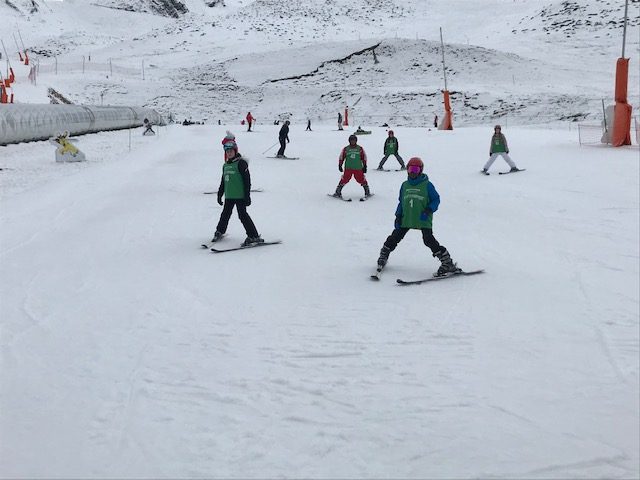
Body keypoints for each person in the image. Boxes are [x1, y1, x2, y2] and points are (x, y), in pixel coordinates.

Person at [376, 157, 460, 277]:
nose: (412, 172)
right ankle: (383, 256)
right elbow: (401, 202)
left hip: (423, 218)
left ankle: (447, 263)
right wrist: (398, 215)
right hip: (407, 217)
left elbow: (436, 199)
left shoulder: (427, 185)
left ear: (420, 170)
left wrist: (429, 209)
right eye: (410, 169)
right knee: (395, 237)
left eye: (415, 169)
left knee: (428, 240)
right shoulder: (404, 185)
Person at [211, 140, 263, 246]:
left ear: (235, 151)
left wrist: (247, 196)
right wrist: (220, 194)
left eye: (231, 151)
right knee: (225, 214)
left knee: (243, 215)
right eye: (227, 151)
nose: (229, 153)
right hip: (229, 196)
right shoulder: (225, 165)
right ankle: (220, 231)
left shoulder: (241, 163)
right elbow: (223, 181)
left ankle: (254, 236)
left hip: (240, 196)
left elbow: (247, 181)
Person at [332, 134, 371, 198]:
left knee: (361, 179)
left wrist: (365, 166)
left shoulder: (360, 148)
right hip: (348, 168)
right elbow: (341, 157)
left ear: (356, 141)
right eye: (351, 140)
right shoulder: (346, 149)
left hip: (358, 168)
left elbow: (364, 157)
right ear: (349, 141)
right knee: (345, 179)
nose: (353, 142)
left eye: (354, 140)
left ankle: (367, 191)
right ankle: (338, 192)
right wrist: (340, 165)